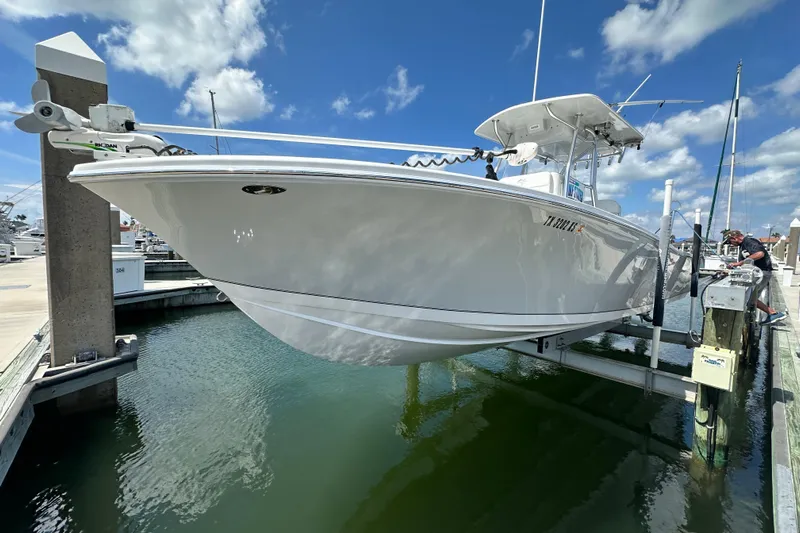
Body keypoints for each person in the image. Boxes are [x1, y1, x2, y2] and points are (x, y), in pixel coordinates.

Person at [723, 229, 786, 324]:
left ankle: (773, 313)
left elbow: (760, 254)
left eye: (730, 241)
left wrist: (739, 263)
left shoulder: (749, 241)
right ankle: (771, 313)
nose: (730, 244)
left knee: (750, 298)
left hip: (762, 273)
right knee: (751, 298)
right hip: (757, 273)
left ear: (734, 238)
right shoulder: (743, 245)